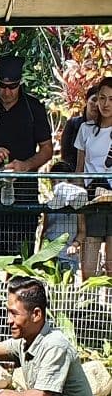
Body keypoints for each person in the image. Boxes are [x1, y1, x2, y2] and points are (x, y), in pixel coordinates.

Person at [0, 55, 53, 267]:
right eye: (2, 86)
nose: (6, 92)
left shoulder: (34, 108)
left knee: (21, 262)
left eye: (12, 86)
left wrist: (26, 165)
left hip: (24, 192)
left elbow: (47, 149)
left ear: (19, 83)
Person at [73, 76, 112, 281]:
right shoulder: (85, 129)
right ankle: (89, 308)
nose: (105, 104)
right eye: (102, 98)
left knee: (111, 266)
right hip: (91, 200)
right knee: (88, 266)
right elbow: (79, 171)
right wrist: (80, 211)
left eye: (111, 100)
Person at [59, 85, 100, 174]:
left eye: (100, 100)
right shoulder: (73, 124)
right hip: (75, 174)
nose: (96, 105)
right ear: (86, 101)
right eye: (94, 100)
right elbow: (65, 155)